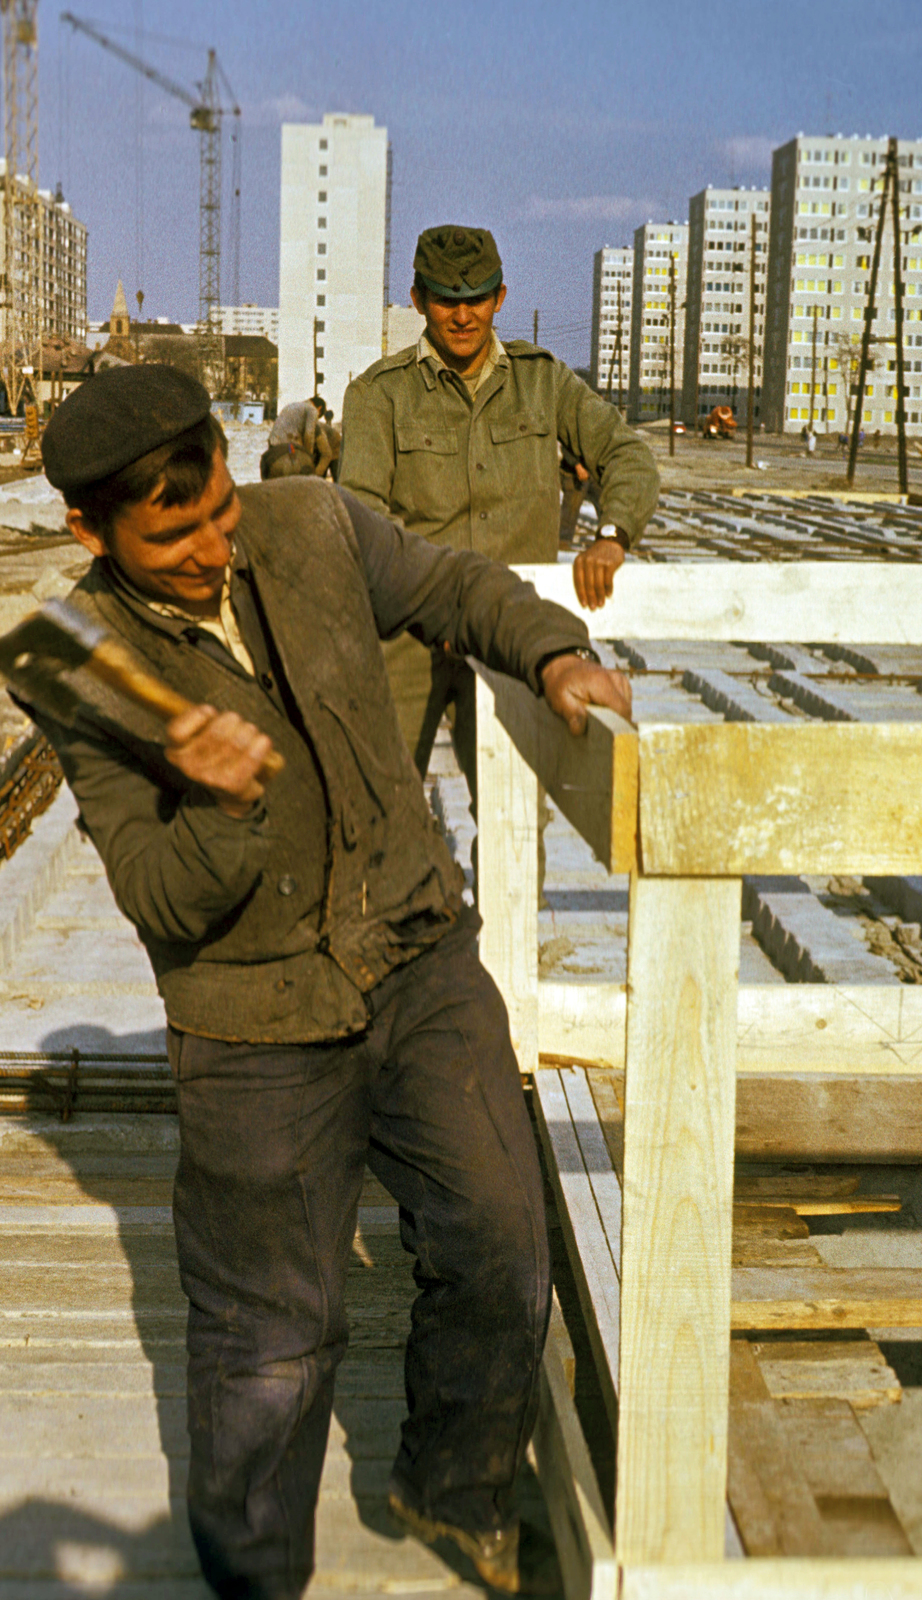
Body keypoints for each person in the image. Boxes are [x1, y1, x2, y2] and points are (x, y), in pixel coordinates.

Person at [31, 364, 631, 1600]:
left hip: (416, 951)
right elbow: (156, 896)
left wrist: (554, 653)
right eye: (171, 535)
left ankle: (452, 1485)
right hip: (253, 1021)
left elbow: (458, 586)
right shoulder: (72, 658)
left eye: (218, 512)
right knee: (269, 1347)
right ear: (88, 529)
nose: (210, 550)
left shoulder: (308, 520)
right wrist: (218, 803)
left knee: (507, 1238)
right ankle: (256, 1579)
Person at [338, 224, 659, 811]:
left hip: (511, 632)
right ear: (417, 301)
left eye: (477, 299)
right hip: (410, 634)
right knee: (377, 808)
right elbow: (362, 516)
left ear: (500, 298)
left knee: (515, 818)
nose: (463, 316)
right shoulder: (377, 395)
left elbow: (626, 452)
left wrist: (612, 536)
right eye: (446, 300)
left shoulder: (544, 382)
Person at [261, 394, 337, 480]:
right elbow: (309, 434)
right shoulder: (312, 410)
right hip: (290, 450)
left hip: (273, 450)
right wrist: (308, 457)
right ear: (319, 408)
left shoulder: (291, 406)